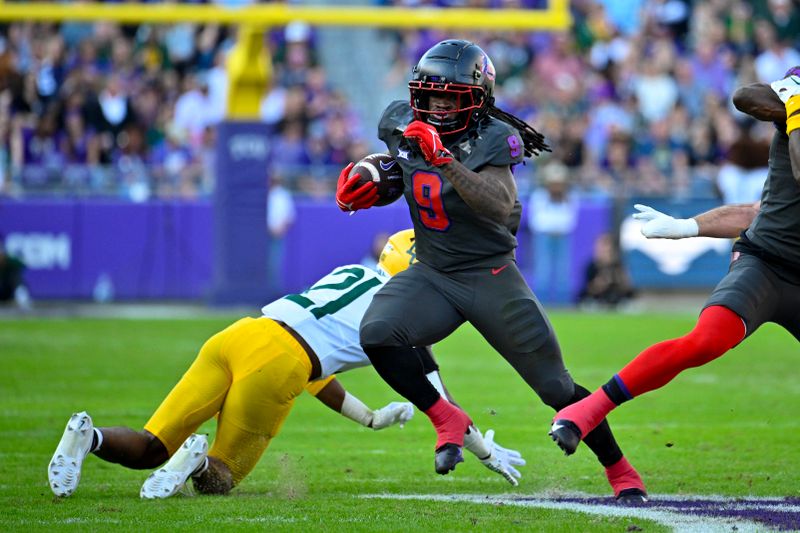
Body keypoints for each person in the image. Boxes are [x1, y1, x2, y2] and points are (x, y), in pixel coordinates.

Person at [335, 39, 647, 503]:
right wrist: (371, 177)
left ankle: (620, 470)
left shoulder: (494, 137)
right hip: (433, 271)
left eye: (450, 97)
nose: (438, 106)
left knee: (556, 387)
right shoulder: (400, 121)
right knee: (378, 332)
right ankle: (446, 417)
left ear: (477, 99)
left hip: (489, 276)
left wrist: (444, 159)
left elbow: (499, 205)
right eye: (431, 95)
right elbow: (400, 168)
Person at [48, 229, 525, 500]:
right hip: (280, 364)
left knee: (151, 446)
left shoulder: (352, 273)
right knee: (219, 479)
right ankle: (195, 461)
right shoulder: (402, 319)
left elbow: (318, 366)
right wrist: (486, 452)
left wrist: (369, 417)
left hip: (240, 334)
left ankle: (85, 436)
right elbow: (444, 406)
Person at [549, 70, 800, 467]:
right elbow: (745, 97)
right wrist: (688, 227)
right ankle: (587, 411)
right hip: (767, 265)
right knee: (706, 341)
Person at [528, 160, 580, 304]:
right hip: (544, 237)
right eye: (553, 183)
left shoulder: (569, 198)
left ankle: (564, 302)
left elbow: (570, 221)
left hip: (562, 237)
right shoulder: (540, 196)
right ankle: (541, 302)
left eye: (559, 183)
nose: (556, 187)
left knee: (563, 271)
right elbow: (536, 221)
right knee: (543, 269)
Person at [578, 232, 636, 310]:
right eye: (601, 247)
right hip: (597, 301)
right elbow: (587, 290)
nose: (604, 251)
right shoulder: (592, 266)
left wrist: (619, 279)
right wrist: (600, 283)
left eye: (607, 247)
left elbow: (628, 289)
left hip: (618, 301)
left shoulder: (618, 265)